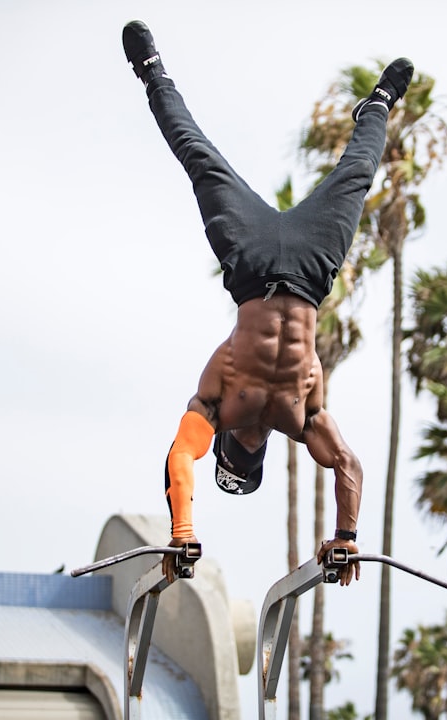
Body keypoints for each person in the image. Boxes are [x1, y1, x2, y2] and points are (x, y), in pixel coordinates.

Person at [121, 20, 412, 585]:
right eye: (244, 459)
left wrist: (182, 531)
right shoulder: (300, 418)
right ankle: (378, 104)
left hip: (252, 263)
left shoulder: (219, 400)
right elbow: (347, 465)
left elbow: (181, 456)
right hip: (308, 270)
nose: (247, 446)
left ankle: (151, 70)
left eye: (236, 456)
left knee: (199, 158)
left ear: (229, 446)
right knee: (357, 176)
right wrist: (346, 537)